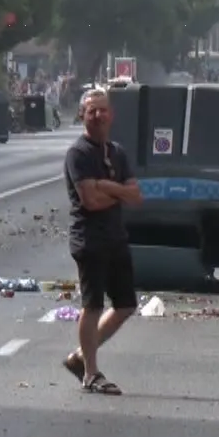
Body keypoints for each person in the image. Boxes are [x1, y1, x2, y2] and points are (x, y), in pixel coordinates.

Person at [60, 88, 143, 394]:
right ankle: (91, 373)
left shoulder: (117, 153)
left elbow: (135, 197)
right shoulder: (78, 154)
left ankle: (82, 356)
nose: (97, 115)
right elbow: (90, 201)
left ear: (112, 115)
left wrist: (107, 185)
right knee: (92, 305)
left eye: (102, 110)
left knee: (125, 304)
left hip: (116, 237)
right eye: (91, 111)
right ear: (83, 115)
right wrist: (115, 190)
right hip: (89, 239)